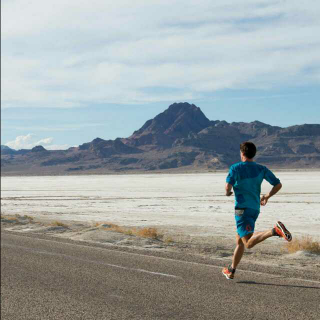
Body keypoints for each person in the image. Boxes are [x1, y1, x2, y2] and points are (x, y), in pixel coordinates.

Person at [222, 141, 292, 280]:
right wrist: (267, 196)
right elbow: (278, 184)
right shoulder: (261, 168)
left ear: (242, 153)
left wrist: (228, 193)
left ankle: (274, 231)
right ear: (253, 154)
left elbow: (227, 187)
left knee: (247, 242)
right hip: (255, 208)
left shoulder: (235, 168)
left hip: (242, 209)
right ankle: (231, 270)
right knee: (240, 240)